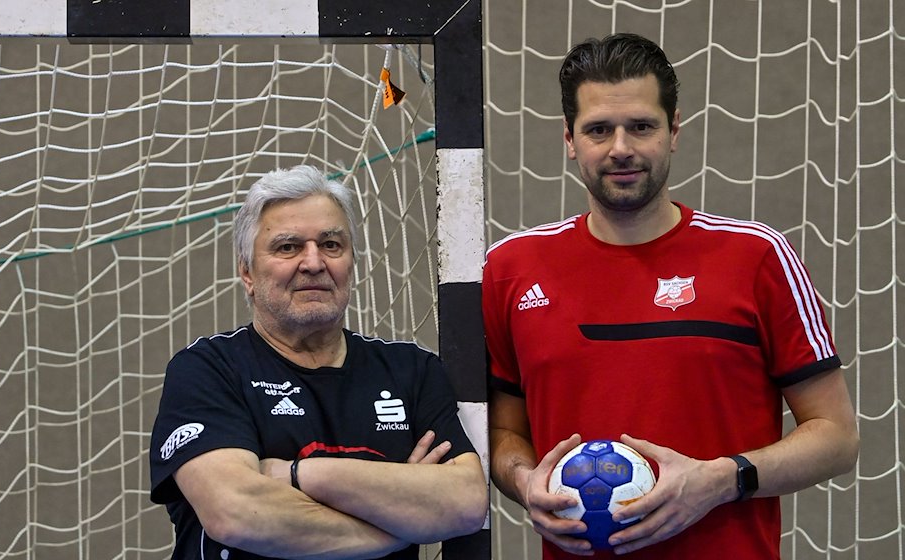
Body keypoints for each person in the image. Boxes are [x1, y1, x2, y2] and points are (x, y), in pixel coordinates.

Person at [484, 33, 859, 559]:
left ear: (674, 130)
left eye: (641, 126)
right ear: (569, 139)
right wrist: (525, 483)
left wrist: (721, 480)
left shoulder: (758, 256)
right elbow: (504, 430)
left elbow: (837, 438)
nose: (621, 148)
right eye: (598, 130)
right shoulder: (510, 269)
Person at [150, 165, 488, 559]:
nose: (313, 263)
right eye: (288, 247)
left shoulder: (412, 370)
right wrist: (396, 524)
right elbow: (236, 513)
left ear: (351, 261)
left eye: (331, 245)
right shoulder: (210, 369)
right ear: (247, 273)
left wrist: (296, 473)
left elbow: (464, 504)